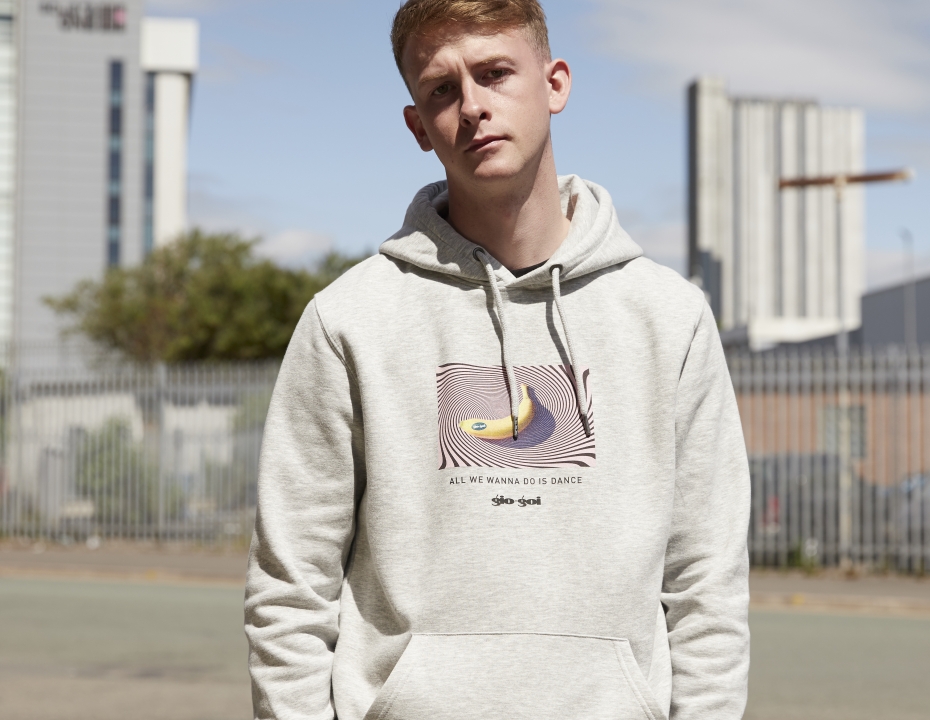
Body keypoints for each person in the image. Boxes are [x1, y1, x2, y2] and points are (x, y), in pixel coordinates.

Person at [244, 1, 751, 718]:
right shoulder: (350, 319)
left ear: (555, 83)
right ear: (419, 127)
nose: (473, 106)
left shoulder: (668, 317)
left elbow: (708, 586)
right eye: (442, 89)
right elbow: (290, 587)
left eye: (494, 73)